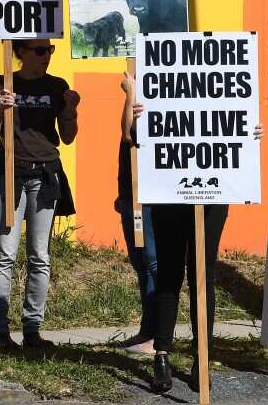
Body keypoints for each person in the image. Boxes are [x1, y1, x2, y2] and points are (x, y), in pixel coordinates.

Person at [149, 124, 264, 393]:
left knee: (203, 274)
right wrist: (139, 113)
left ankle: (203, 358)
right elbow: (133, 134)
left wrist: (249, 131)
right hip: (170, 189)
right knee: (169, 273)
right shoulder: (160, 87)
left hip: (213, 191)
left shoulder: (223, 86)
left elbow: (233, 120)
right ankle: (161, 355)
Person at [0, 39, 79, 349]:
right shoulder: (2, 82)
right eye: (39, 50)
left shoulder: (57, 86)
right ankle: (0, 332)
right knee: (4, 254)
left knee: (40, 255)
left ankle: (32, 330)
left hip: (44, 174)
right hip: (10, 174)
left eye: (49, 50)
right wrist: (2, 109)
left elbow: (67, 136)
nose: (46, 56)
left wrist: (70, 110)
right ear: (21, 52)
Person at [115, 72, 156, 353]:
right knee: (141, 263)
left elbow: (129, 134)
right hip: (131, 197)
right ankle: (147, 330)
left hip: (150, 198)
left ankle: (155, 336)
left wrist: (130, 94)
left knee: (152, 263)